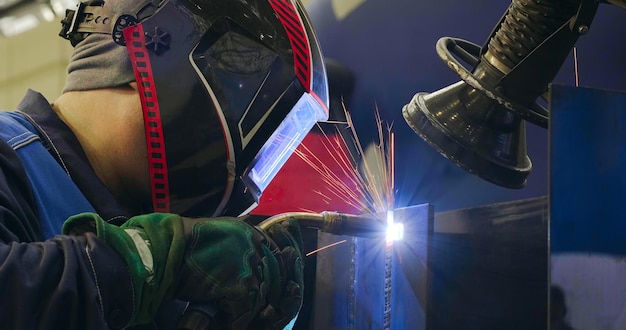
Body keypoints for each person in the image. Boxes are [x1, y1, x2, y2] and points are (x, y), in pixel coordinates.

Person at [0, 0, 329, 328]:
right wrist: (149, 263)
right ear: (145, 58)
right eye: (239, 97)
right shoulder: (10, 152)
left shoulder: (173, 265)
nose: (245, 177)